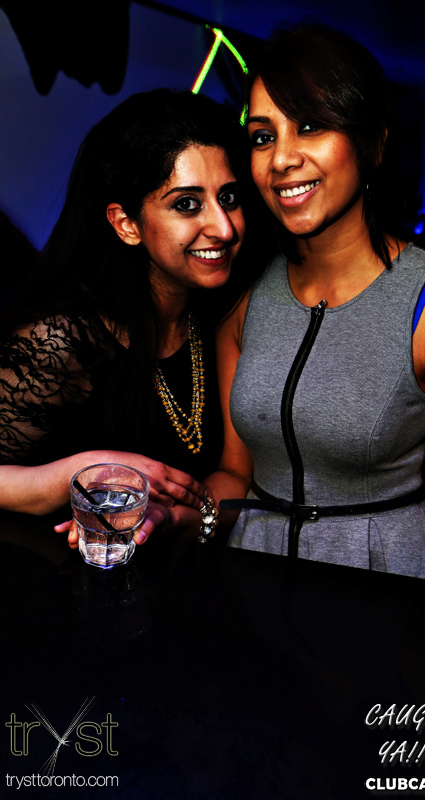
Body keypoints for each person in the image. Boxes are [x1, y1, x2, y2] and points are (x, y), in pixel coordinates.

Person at [200, 25, 425, 586]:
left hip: (378, 592)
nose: (281, 158)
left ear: (373, 143)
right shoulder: (244, 295)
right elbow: (234, 474)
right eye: (263, 136)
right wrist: (175, 517)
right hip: (250, 586)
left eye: (310, 126)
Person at [0, 88, 247, 543]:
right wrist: (79, 471)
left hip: (186, 581)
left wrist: (173, 519)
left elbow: (235, 480)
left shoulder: (223, 314)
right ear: (126, 224)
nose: (225, 227)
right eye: (187, 204)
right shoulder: (62, 341)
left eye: (229, 197)